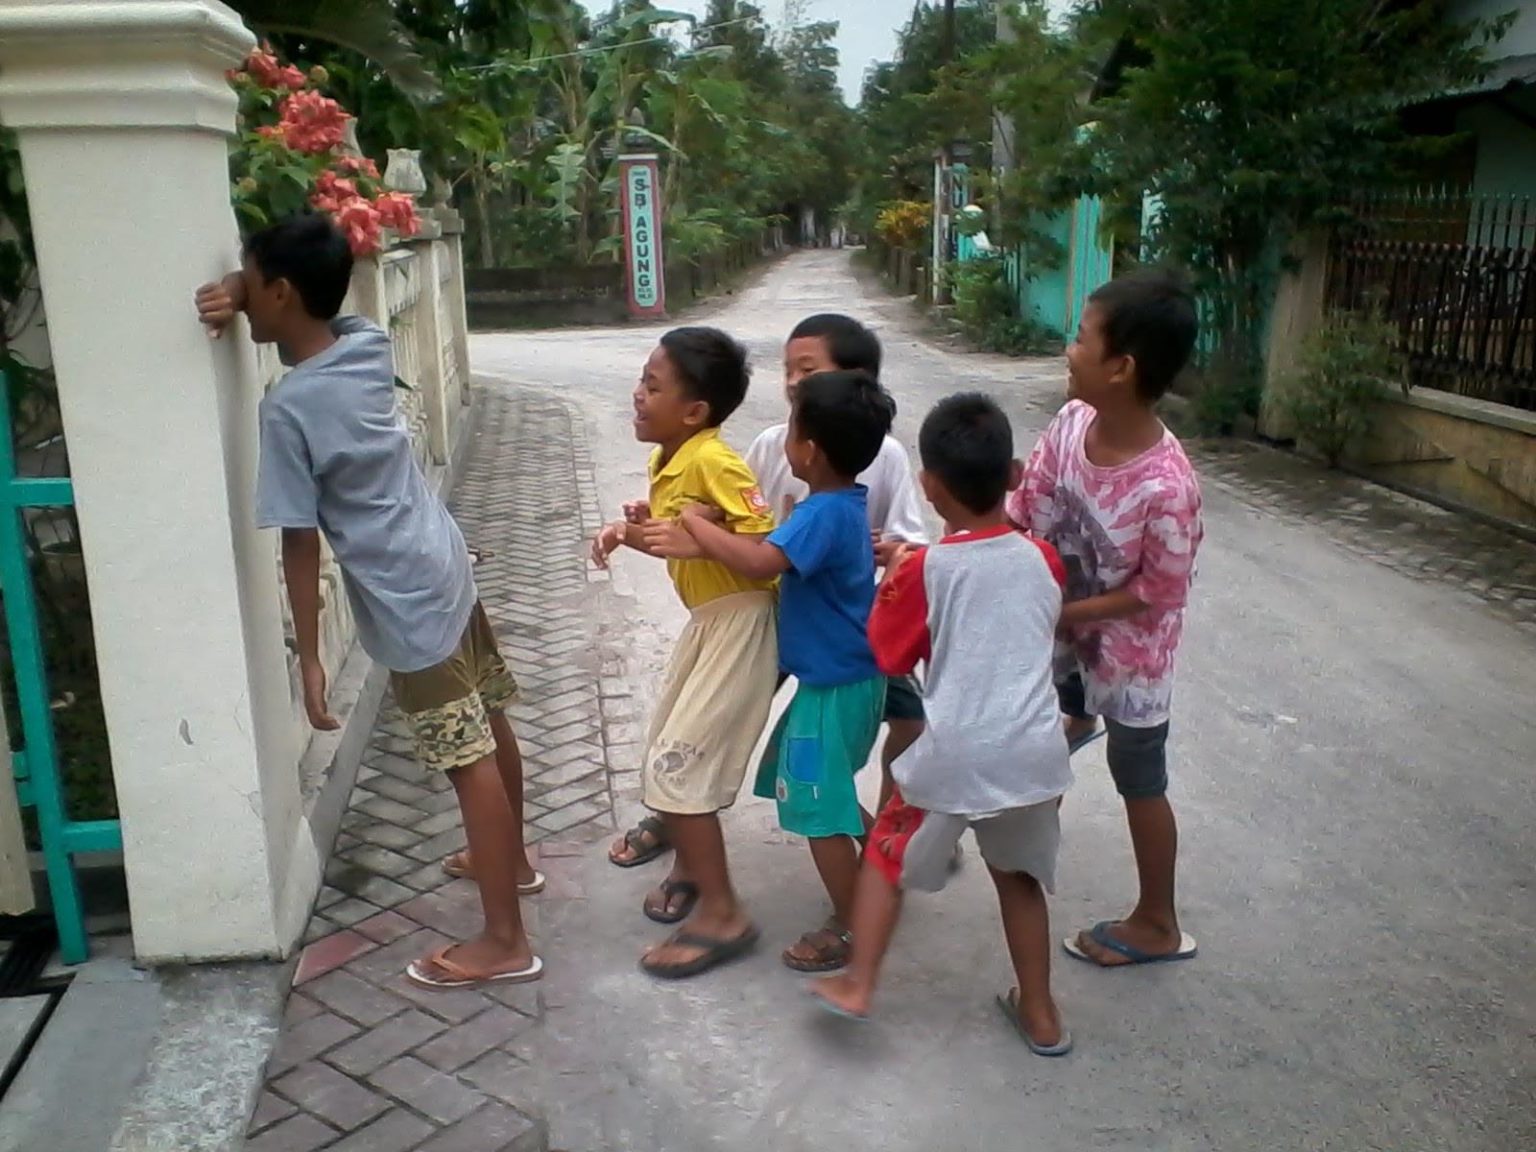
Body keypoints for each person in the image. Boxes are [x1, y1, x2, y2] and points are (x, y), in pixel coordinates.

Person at [194, 215, 540, 989]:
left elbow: (299, 538)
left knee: (465, 758)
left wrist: (311, 658)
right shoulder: (366, 346)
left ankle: (505, 941)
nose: (240, 295)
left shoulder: (289, 408)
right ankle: (512, 863)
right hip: (443, 559)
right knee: (489, 717)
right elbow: (326, 310)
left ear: (279, 291)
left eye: (249, 281)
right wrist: (240, 289)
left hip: (406, 596)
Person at [606, 314, 927, 873]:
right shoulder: (784, 454)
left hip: (824, 638)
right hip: (794, 623)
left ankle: (872, 878)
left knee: (733, 757)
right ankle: (682, 829)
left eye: (808, 372)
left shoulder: (845, 488)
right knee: (720, 742)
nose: (793, 384)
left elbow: (758, 548)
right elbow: (737, 516)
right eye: (788, 371)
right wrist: (681, 521)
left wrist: (695, 524)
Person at [810, 393, 1074, 1056]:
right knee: (1018, 879)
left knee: (884, 858)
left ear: (928, 487)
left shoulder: (927, 567)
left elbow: (890, 654)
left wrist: (898, 578)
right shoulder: (1043, 557)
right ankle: (1040, 1012)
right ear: (1013, 475)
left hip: (956, 752)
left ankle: (858, 984)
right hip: (1035, 753)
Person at [653, 369, 895, 972]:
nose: (785, 440)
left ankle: (850, 924)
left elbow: (762, 562)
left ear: (807, 451)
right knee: (827, 790)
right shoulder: (840, 505)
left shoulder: (822, 515)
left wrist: (699, 525)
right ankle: (882, 871)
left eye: (791, 429)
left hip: (835, 688)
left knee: (815, 807)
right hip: (842, 682)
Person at [1007, 268, 1203, 969]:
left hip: (1131, 658)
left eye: (1082, 337)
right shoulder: (1069, 425)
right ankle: (1073, 721)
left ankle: (1157, 921)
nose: (1069, 349)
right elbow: (1027, 509)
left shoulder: (1167, 487)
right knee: (1052, 718)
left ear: (1120, 367)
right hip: (1066, 634)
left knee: (1138, 773)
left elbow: (1156, 592)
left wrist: (1064, 609)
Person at [590, 327, 778, 979]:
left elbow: (764, 543)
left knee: (680, 767)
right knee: (665, 756)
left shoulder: (713, 461)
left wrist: (704, 538)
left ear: (695, 411)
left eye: (652, 385)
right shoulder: (671, 460)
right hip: (709, 622)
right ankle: (696, 872)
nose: (638, 396)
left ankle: (724, 912)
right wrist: (630, 533)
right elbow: (680, 539)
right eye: (642, 381)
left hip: (744, 622)